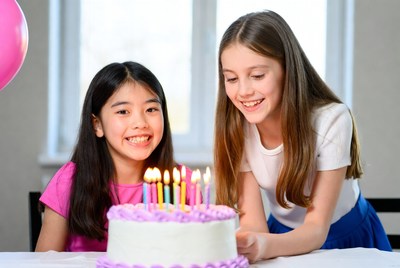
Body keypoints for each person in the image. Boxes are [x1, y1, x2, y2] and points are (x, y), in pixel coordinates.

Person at [213, 10, 392, 263]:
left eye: (257, 76)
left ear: (288, 70)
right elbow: (254, 224)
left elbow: (317, 230)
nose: (243, 91)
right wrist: (246, 241)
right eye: (231, 78)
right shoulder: (238, 130)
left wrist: (263, 245)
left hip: (345, 236)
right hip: (280, 239)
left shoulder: (332, 119)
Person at [35, 61, 192, 252]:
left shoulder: (184, 183)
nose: (140, 123)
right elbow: (44, 261)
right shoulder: (70, 181)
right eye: (123, 111)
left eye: (151, 109)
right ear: (97, 125)